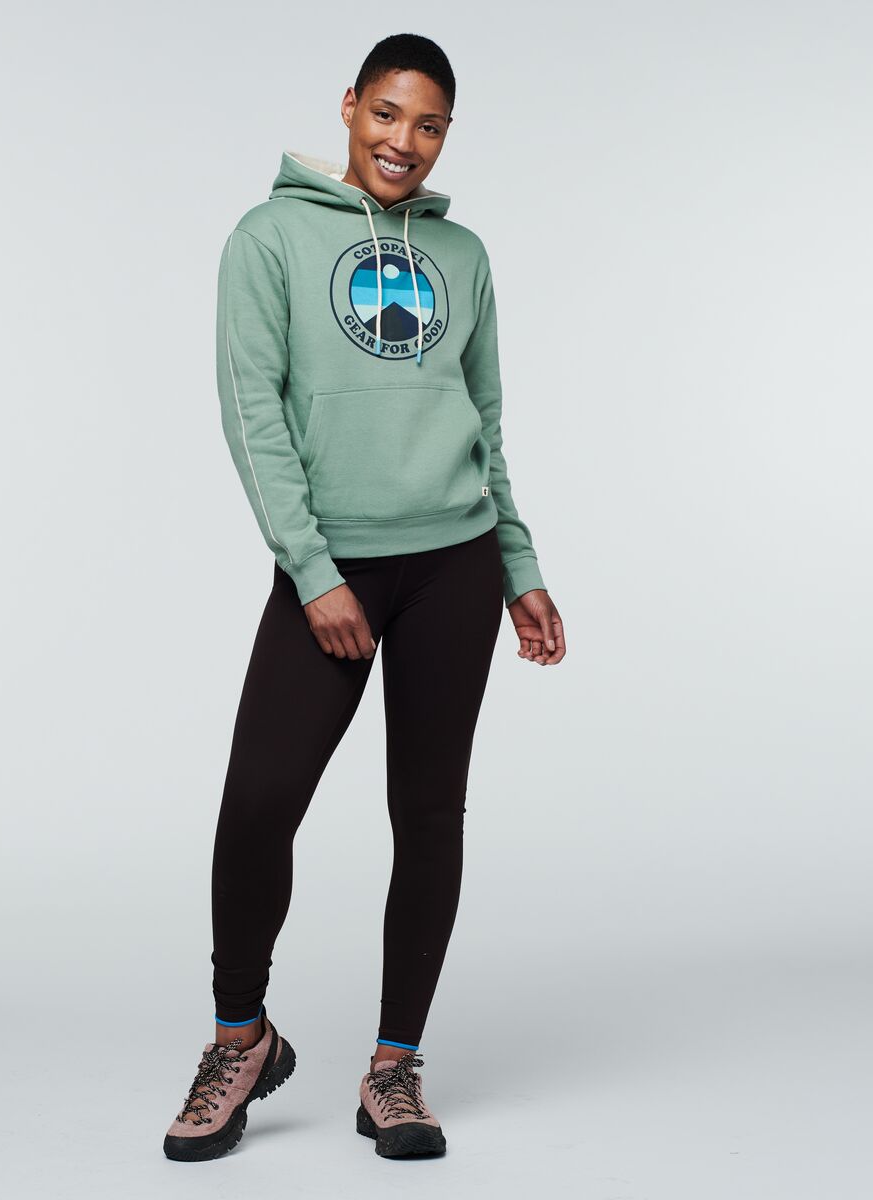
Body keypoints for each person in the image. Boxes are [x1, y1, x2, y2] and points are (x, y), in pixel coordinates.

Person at [164, 33, 566, 1163]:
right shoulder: (270, 238)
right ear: (349, 107)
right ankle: (241, 1039)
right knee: (259, 802)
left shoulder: (464, 256)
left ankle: (396, 1066)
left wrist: (521, 567)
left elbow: (485, 422)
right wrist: (313, 570)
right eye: (388, 114)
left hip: (456, 564)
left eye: (429, 125)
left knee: (429, 815)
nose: (404, 142)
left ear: (446, 135)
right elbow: (254, 413)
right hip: (333, 568)